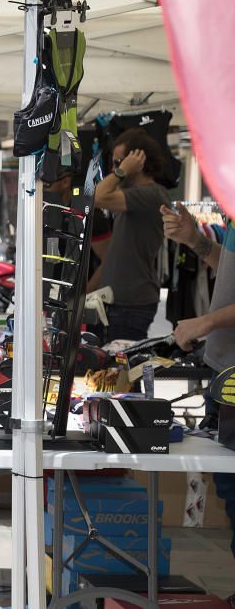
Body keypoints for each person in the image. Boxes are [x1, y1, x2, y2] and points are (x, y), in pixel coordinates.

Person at [162, 201, 235, 565]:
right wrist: (198, 242)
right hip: (223, 369)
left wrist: (204, 323)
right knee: (229, 488)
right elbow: (230, 270)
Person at [93, 128, 171, 342]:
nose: (114, 169)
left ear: (138, 162)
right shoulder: (131, 197)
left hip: (130, 306)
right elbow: (114, 254)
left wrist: (122, 171)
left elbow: (96, 197)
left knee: (121, 374)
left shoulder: (151, 194)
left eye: (118, 162)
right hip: (118, 303)